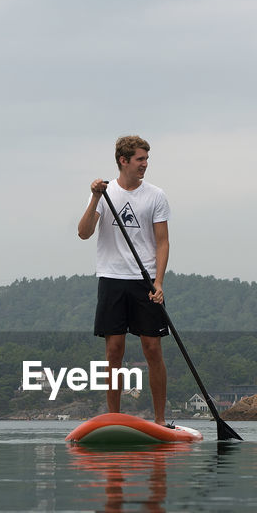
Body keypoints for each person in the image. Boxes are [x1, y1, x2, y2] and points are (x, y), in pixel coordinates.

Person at [77, 135, 171, 426]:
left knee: (152, 348)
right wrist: (94, 197)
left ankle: (158, 420)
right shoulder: (106, 194)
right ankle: (114, 418)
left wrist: (158, 282)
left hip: (143, 280)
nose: (145, 165)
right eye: (140, 160)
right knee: (114, 349)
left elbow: (163, 242)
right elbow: (83, 233)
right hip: (111, 278)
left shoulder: (156, 195)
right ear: (124, 161)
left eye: (146, 160)